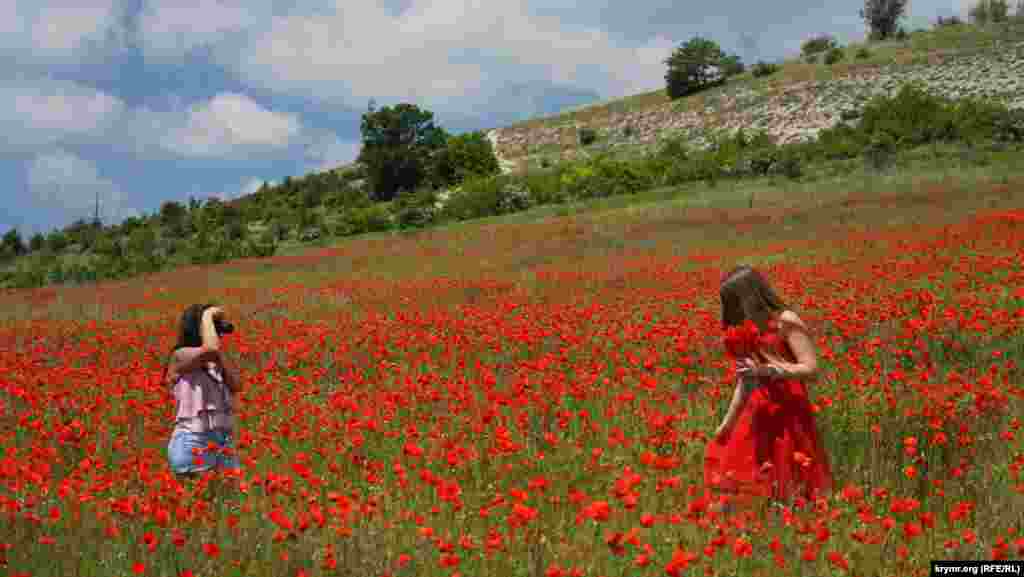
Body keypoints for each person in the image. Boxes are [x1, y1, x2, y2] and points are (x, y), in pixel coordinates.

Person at [704, 265, 832, 513]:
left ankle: (793, 518)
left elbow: (812, 368)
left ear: (750, 295)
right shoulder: (745, 330)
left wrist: (776, 370)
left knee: (790, 475)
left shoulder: (786, 321)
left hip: (789, 410)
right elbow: (745, 381)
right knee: (743, 478)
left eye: (733, 302)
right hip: (756, 411)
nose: (731, 311)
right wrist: (727, 424)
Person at [164, 303, 242, 476]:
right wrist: (208, 314)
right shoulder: (180, 356)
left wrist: (220, 357)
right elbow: (210, 349)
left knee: (227, 502)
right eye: (212, 325)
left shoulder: (217, 359)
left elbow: (236, 385)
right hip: (193, 442)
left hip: (223, 442)